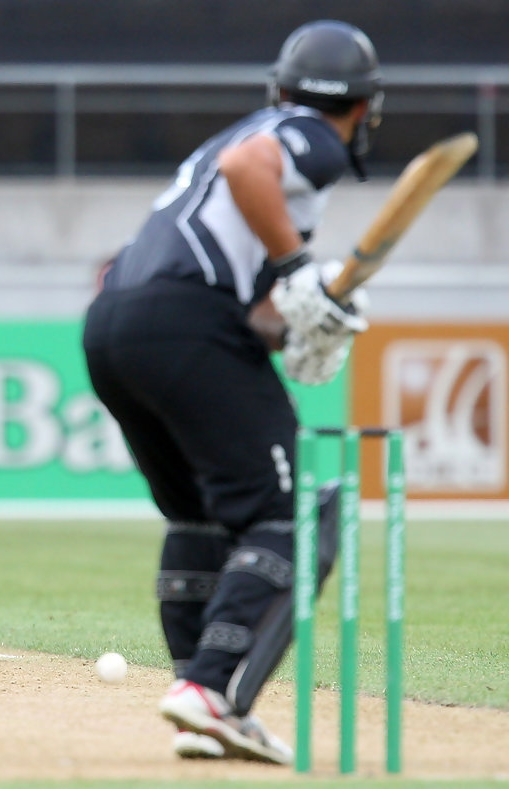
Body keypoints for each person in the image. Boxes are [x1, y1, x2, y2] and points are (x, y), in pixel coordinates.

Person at [81, 20, 381, 764]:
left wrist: (304, 328)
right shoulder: (306, 132)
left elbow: (238, 294)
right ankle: (212, 690)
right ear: (363, 106)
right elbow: (256, 168)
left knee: (203, 516)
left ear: (279, 82)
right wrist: (300, 267)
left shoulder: (226, 142)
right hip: (186, 323)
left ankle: (196, 700)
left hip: (114, 323)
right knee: (287, 516)